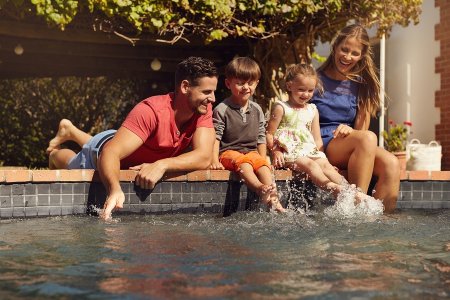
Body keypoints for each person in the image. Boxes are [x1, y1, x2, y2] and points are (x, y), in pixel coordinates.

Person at [47, 56, 218, 219]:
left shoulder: (202, 108)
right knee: (72, 163)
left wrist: (162, 165)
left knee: (115, 142)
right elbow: (111, 152)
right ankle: (55, 154)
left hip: (126, 140)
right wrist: (114, 189)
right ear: (185, 87)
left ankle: (70, 131)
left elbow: (204, 156)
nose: (213, 98)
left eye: (213, 92)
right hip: (102, 150)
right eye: (207, 92)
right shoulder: (151, 111)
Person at [310, 24, 400, 213]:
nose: (348, 57)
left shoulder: (362, 84)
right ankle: (355, 210)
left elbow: (361, 130)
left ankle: (383, 221)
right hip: (324, 143)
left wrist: (351, 132)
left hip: (353, 143)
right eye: (344, 49)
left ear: (362, 56)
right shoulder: (314, 80)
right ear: (335, 47)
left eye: (355, 53)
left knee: (391, 162)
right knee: (367, 138)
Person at [266, 63, 367, 202]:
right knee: (311, 165)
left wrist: (324, 159)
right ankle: (332, 187)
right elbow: (269, 133)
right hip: (290, 152)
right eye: (301, 89)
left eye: (310, 90)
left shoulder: (313, 109)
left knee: (326, 167)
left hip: (309, 150)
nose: (306, 94)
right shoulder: (281, 107)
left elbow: (317, 139)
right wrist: (275, 151)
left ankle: (350, 191)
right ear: (289, 86)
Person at [210, 57, 285, 212]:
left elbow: (260, 137)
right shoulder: (222, 109)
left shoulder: (256, 109)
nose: (246, 87)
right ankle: (259, 188)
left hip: (251, 152)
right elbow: (215, 137)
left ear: (256, 83)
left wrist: (264, 159)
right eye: (240, 83)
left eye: (250, 83)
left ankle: (274, 200)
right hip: (229, 153)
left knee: (263, 167)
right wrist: (213, 160)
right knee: (244, 163)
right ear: (228, 83)